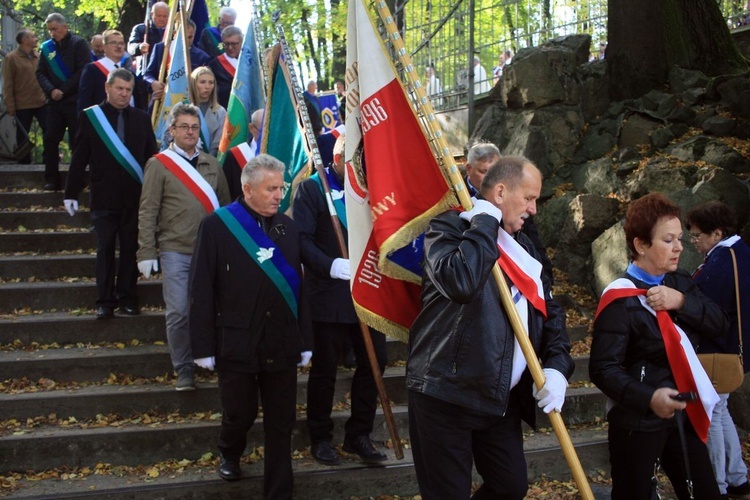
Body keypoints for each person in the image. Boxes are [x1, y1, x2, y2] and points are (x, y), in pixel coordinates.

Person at [407, 155, 573, 499]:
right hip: (446, 394)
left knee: (510, 487)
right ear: (499, 192)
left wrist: (557, 367)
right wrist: (483, 225)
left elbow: (550, 311)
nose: (534, 209)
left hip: (499, 400)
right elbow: (461, 282)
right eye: (529, 198)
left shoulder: (525, 246)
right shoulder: (448, 229)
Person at [190, 154, 313, 498]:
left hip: (281, 342)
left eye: (281, 187)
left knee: (281, 423)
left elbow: (299, 288)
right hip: (237, 342)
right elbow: (201, 288)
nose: (279, 195)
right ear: (247, 189)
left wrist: (305, 339)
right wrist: (202, 346)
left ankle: (278, 492)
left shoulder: (288, 229)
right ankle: (230, 450)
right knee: (239, 414)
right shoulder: (216, 225)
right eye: (271, 188)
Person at [589, 193, 727, 500]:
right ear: (640, 245)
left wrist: (682, 302)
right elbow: (602, 369)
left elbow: (719, 324)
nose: (679, 247)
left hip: (684, 413)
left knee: (704, 492)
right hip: (637, 421)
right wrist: (648, 397)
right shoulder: (619, 298)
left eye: (679, 238)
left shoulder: (679, 283)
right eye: (668, 240)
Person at [292, 134, 388, 466]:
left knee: (375, 364)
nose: (361, 171)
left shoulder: (372, 188)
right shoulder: (312, 189)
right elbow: (300, 239)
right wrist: (329, 265)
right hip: (328, 294)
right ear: (336, 160)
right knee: (326, 370)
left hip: (368, 292)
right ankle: (320, 436)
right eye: (353, 165)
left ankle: (359, 433)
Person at [137, 103, 231, 391]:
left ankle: (211, 358)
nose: (190, 132)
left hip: (211, 252)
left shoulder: (212, 164)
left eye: (194, 127)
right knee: (178, 311)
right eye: (184, 127)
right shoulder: (158, 164)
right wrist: (146, 251)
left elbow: (227, 208)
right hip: (175, 249)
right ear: (172, 130)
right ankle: (184, 367)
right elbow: (147, 210)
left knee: (214, 308)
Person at [63, 68, 158, 319]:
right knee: (105, 249)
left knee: (129, 250)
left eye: (128, 90)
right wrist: (71, 192)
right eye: (119, 89)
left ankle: (128, 297)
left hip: (134, 197)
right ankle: (105, 301)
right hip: (103, 197)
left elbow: (152, 158)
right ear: (108, 88)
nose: (124, 94)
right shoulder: (91, 117)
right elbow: (80, 156)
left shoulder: (141, 118)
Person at [686, 201, 750, 500]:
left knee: (709, 411)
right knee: (720, 410)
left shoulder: (721, 263)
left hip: (716, 351)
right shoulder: (741, 254)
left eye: (698, 235)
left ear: (717, 233)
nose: (693, 241)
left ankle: (717, 485)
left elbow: (704, 312)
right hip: (734, 349)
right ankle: (737, 476)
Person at [464, 142, 552, 281]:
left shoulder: (524, 239)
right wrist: (485, 221)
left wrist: (545, 290)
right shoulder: (453, 213)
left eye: (496, 170)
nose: (533, 210)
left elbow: (539, 264)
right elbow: (460, 282)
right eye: (485, 171)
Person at [35, 13, 90, 190]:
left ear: (64, 27)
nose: (52, 33)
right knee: (50, 139)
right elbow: (40, 72)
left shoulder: (79, 44)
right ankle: (51, 178)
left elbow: (83, 70)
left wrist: (63, 90)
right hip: (54, 103)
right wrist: (51, 90)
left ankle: (77, 179)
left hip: (74, 101)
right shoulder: (47, 48)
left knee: (77, 141)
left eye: (55, 29)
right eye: (50, 30)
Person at [2, 29, 47, 165]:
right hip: (22, 104)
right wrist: (10, 104)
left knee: (49, 131)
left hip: (41, 102)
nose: (36, 39)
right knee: (22, 136)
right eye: (33, 37)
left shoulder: (39, 56)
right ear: (24, 40)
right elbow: (8, 83)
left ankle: (49, 159)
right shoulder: (11, 58)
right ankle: (24, 163)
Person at [158, 66, 226, 156]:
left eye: (211, 83)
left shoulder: (220, 112)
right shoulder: (180, 107)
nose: (207, 87)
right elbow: (167, 135)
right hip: (179, 158)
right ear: (194, 84)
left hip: (206, 161)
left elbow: (218, 145)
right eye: (202, 82)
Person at [145, 20, 211, 103]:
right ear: (175, 33)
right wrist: (153, 83)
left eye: (190, 37)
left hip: (187, 103)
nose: (186, 41)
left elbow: (205, 83)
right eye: (183, 37)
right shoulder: (161, 48)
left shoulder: (202, 57)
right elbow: (148, 74)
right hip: (160, 103)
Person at [77, 30, 138, 115]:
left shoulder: (130, 74)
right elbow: (84, 101)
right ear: (104, 47)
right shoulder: (92, 70)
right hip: (100, 122)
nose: (118, 46)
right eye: (113, 43)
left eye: (121, 43)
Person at [222, 109, 263, 200]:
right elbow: (226, 192)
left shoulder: (280, 153)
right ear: (251, 128)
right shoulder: (234, 155)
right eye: (262, 130)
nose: (267, 134)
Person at [127, 1, 169, 75]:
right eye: (159, 16)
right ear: (152, 14)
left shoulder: (172, 31)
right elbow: (131, 47)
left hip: (166, 72)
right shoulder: (141, 29)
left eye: (165, 16)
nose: (162, 19)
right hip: (145, 71)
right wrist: (139, 47)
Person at [208, 26, 243, 109]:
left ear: (242, 42)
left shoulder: (251, 62)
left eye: (234, 44)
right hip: (226, 110)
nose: (230, 48)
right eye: (226, 44)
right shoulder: (215, 65)